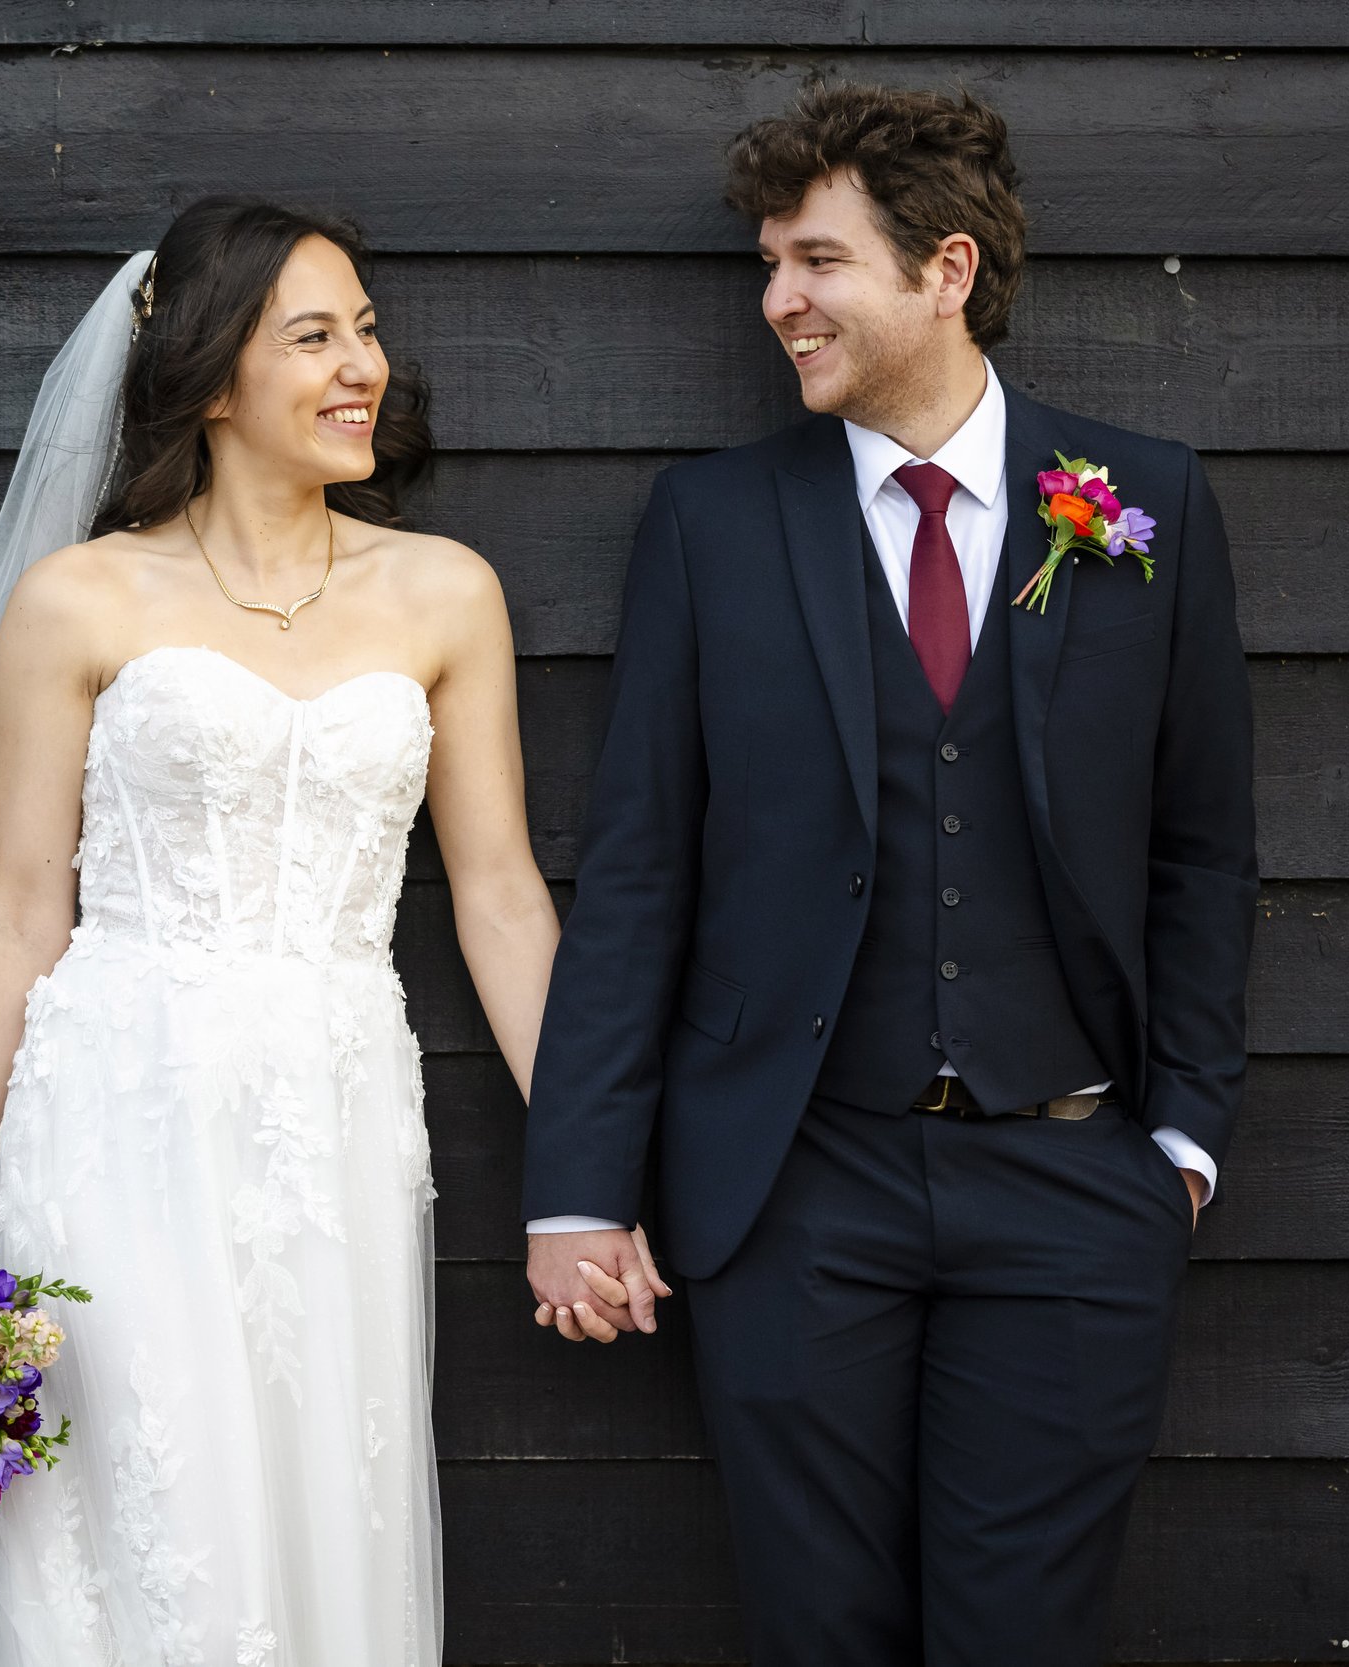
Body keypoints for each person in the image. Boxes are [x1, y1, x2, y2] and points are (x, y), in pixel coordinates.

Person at [0, 196, 660, 1667]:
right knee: (150, 1535)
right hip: (115, 1110)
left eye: (369, 333)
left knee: (324, 1521)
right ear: (216, 377)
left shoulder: (441, 590)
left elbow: (498, 896)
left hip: (334, 1111)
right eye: (317, 338)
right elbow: (24, 908)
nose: (365, 369)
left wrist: (585, 1165)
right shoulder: (78, 599)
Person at [521, 84, 1257, 1665]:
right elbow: (641, 866)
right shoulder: (713, 523)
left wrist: (1182, 1138)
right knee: (816, 1629)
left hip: (1076, 1181)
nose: (777, 298)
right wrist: (581, 1188)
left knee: (1022, 1636)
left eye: (816, 260)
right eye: (770, 262)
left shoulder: (1145, 509)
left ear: (948, 271)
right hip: (798, 1189)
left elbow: (1203, 849)